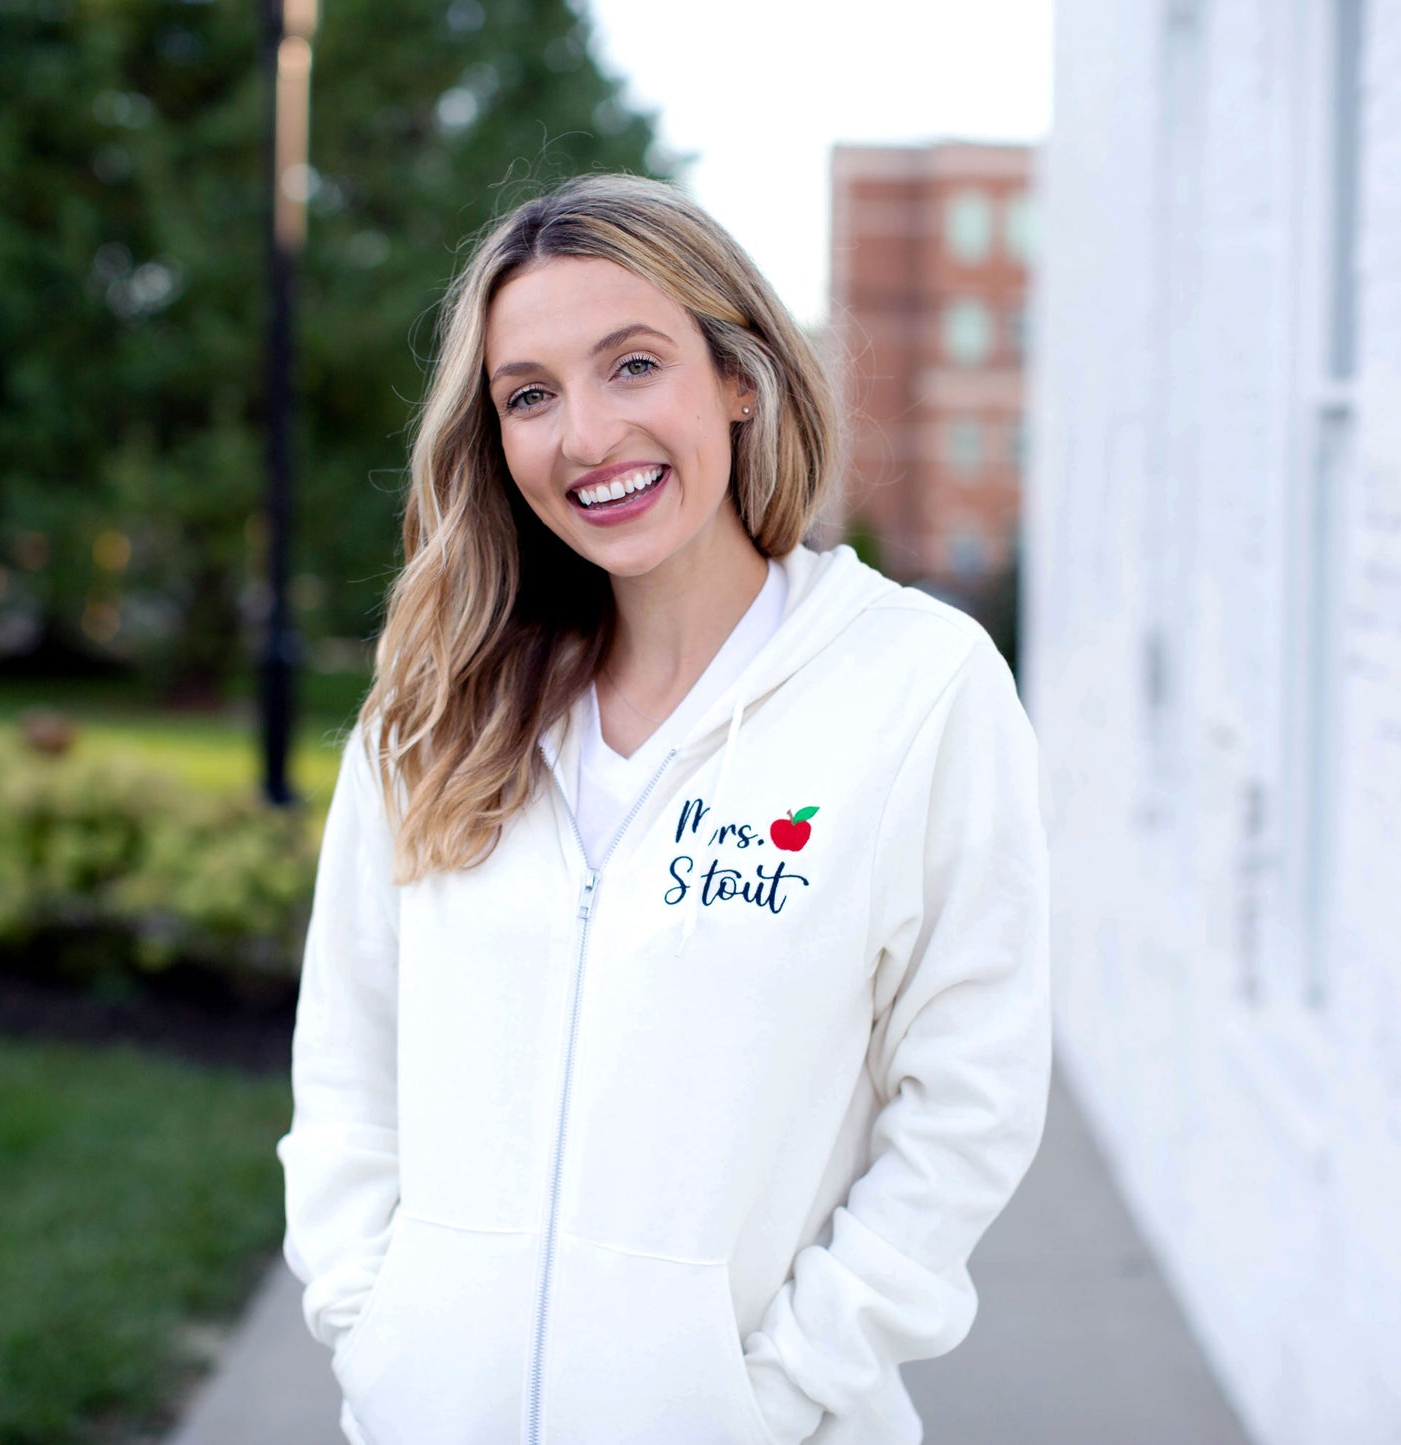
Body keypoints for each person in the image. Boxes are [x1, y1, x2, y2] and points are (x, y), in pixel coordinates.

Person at [276, 172, 1052, 1445]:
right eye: (529, 393)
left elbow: (967, 1098)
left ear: (736, 375)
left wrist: (782, 1391)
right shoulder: (433, 706)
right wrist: (375, 1342)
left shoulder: (915, 683)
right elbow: (349, 1075)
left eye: (631, 365)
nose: (584, 434)